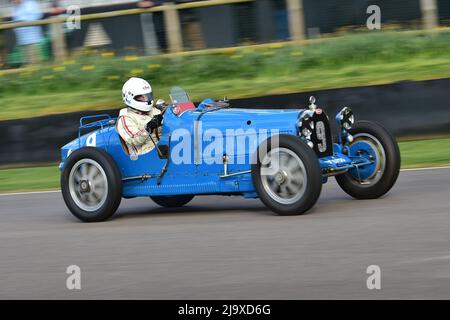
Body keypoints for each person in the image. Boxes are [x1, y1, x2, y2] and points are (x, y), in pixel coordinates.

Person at [116, 77, 163, 156]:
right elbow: (133, 139)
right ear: (130, 98)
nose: (147, 99)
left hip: (162, 147)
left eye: (148, 96)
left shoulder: (154, 111)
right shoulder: (125, 118)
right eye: (142, 97)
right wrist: (148, 128)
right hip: (147, 154)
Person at [11, 0, 44, 65]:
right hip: (22, 40)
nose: (13, 1)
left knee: (35, 63)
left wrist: (23, 22)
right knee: (27, 63)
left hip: (32, 39)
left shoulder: (30, 3)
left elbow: (37, 15)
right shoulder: (17, 7)